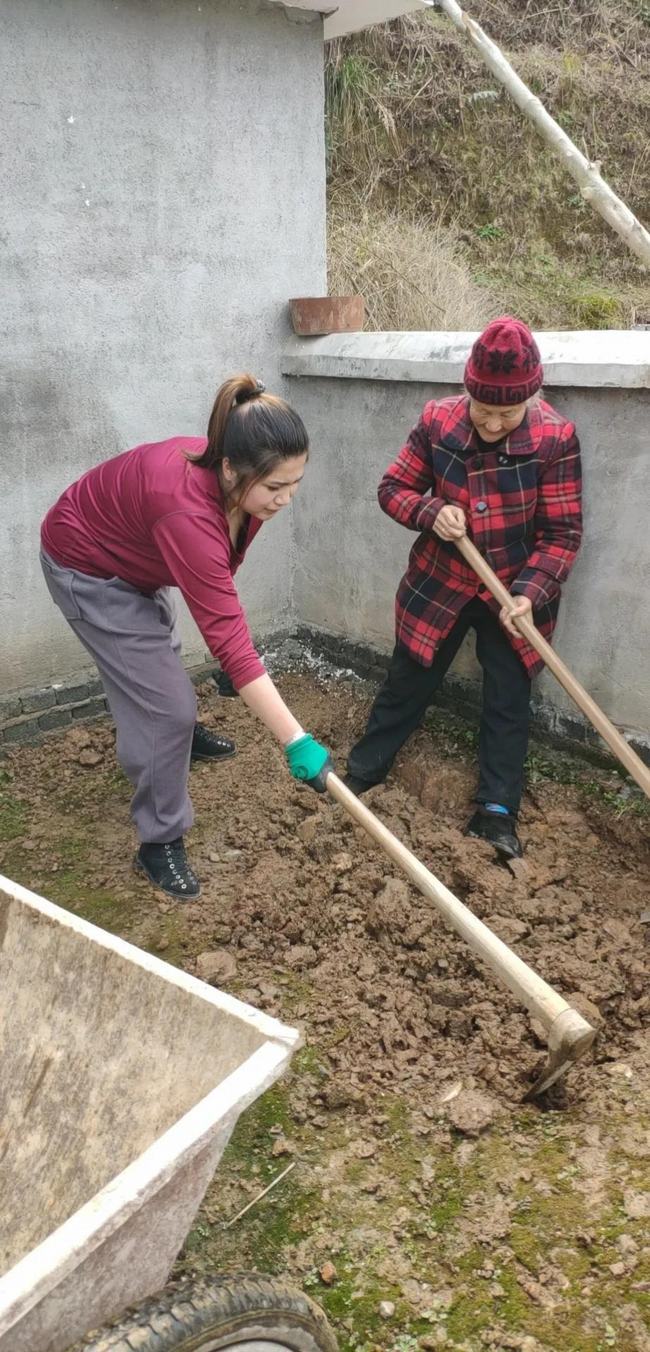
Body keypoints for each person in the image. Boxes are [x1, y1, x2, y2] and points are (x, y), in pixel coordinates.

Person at [41, 373, 332, 900]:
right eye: (275, 488)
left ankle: (172, 741)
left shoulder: (241, 481)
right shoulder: (187, 512)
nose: (286, 499)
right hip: (85, 565)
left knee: (161, 664)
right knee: (163, 708)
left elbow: (219, 578)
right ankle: (159, 840)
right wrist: (296, 739)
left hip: (132, 555)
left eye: (296, 484)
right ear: (228, 470)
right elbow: (228, 636)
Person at [345, 317, 582, 861]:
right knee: (410, 678)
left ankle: (497, 812)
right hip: (441, 584)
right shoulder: (437, 422)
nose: (494, 423)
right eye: (484, 410)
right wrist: (431, 511)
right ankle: (363, 772)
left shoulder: (555, 438)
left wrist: (530, 593)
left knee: (506, 700)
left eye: (508, 412)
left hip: (512, 596)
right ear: (467, 390)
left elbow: (562, 532)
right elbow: (392, 488)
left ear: (532, 397)